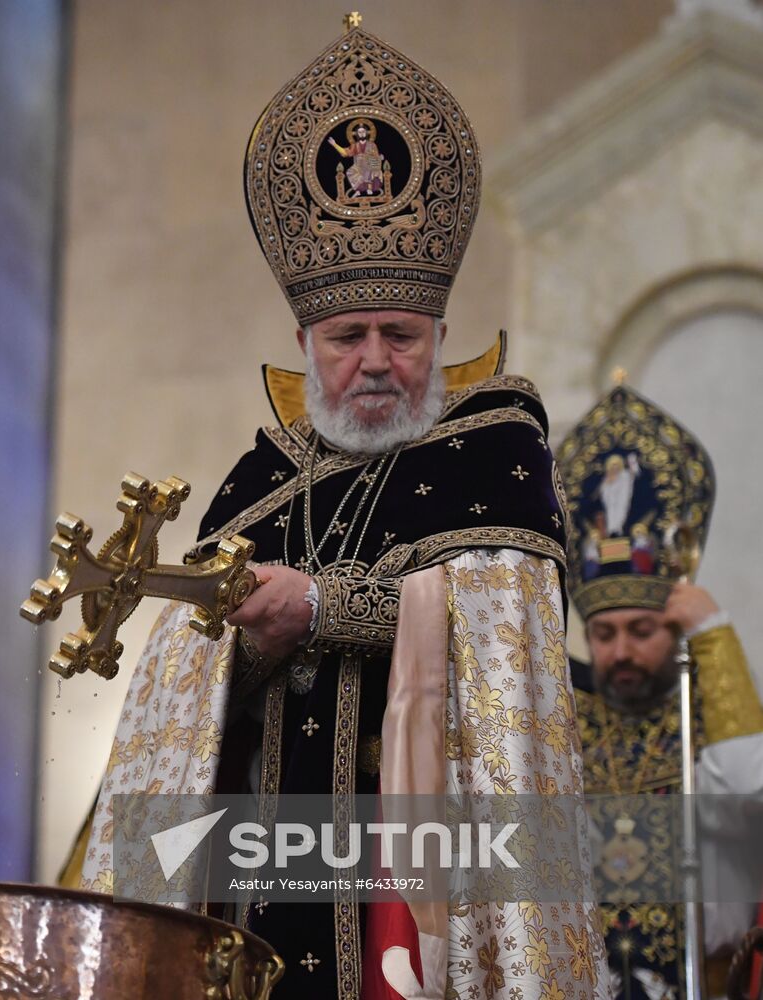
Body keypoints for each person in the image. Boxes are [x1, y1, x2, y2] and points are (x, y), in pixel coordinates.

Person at [73, 16, 607, 1000]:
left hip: (413, 895)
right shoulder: (259, 474)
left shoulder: (495, 445)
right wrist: (237, 639)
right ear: (301, 335)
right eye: (345, 334)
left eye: (400, 334)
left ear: (441, 328)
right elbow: (175, 690)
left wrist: (320, 609)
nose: (372, 360)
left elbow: (506, 642)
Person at [559, 383, 763, 1000]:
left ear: (672, 624)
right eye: (605, 633)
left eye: (641, 630)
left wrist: (716, 639)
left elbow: (752, 792)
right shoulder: (562, 716)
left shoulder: (701, 710)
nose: (621, 651)